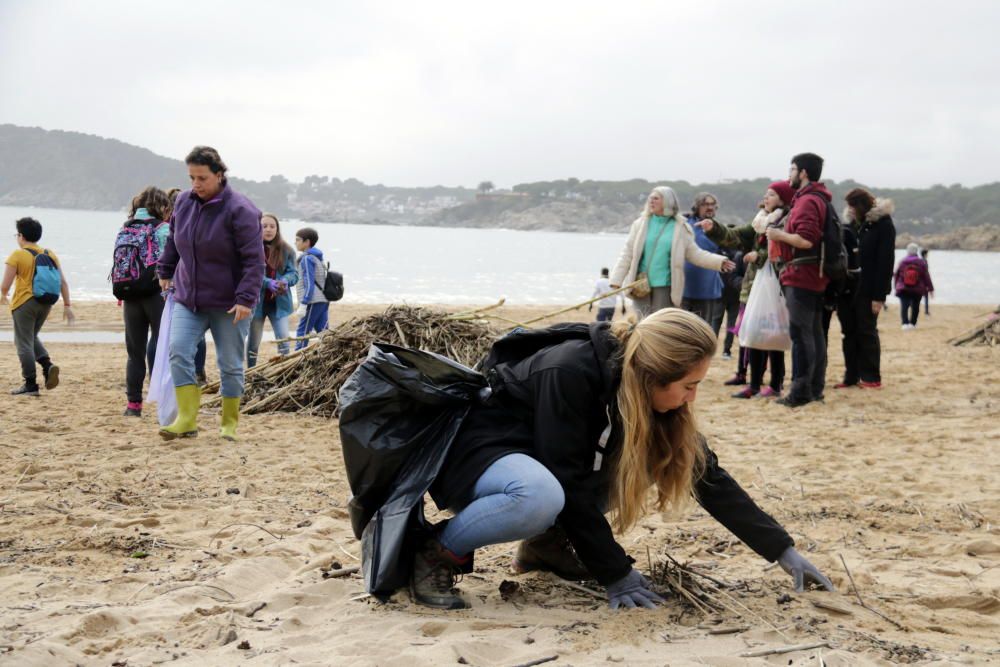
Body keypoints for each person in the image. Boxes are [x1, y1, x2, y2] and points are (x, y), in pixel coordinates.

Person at [405, 309, 832, 609]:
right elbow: (566, 479)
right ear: (653, 375)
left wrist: (783, 551)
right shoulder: (569, 372)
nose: (693, 397)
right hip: (481, 453)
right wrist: (616, 575)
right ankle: (437, 552)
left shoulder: (646, 393)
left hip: (540, 459)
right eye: (689, 384)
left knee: (656, 458)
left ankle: (545, 546)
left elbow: (707, 475)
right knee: (540, 495)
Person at [156, 146, 265, 441]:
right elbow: (173, 242)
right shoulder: (183, 202)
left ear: (219, 174)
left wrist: (245, 298)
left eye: (202, 178)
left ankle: (229, 423)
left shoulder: (241, 210)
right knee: (178, 351)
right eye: (192, 177)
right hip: (188, 297)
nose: (196, 184)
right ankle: (186, 419)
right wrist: (165, 270)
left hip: (230, 303)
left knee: (229, 364)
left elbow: (254, 260)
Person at [699, 182, 795, 399]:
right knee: (755, 333)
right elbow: (734, 236)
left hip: (777, 286)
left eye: (771, 194)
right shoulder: (760, 221)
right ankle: (753, 384)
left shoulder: (786, 221)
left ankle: (776, 384)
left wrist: (759, 256)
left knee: (774, 335)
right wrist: (713, 227)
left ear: (782, 199)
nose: (766, 196)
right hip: (755, 285)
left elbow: (785, 251)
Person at [766, 153, 831, 408]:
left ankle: (801, 392)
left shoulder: (807, 201)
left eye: (792, 169)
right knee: (813, 333)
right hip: (814, 274)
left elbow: (806, 239)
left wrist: (778, 234)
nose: (789, 174)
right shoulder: (819, 198)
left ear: (803, 173)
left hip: (802, 274)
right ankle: (814, 389)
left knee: (802, 334)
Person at [610, 186, 735, 317]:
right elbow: (627, 252)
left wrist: (719, 261)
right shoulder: (640, 224)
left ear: (668, 201)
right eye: (650, 198)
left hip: (664, 286)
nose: (651, 201)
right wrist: (616, 279)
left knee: (659, 325)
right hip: (640, 284)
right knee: (642, 324)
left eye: (656, 198)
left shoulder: (680, 226)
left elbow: (695, 254)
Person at [1, 217, 74, 396]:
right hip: (46, 302)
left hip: (25, 303)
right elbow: (63, 282)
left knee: (23, 342)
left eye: (17, 234)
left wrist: (2, 295)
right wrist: (67, 305)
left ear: (22, 236)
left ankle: (30, 384)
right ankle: (47, 366)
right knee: (31, 337)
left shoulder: (17, 255)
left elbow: (5, 285)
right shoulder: (50, 254)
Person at [116, 187, 172, 416]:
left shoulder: (126, 227)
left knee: (134, 352)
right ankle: (163, 402)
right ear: (162, 206)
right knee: (164, 348)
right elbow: (172, 260)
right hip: (157, 293)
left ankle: (133, 406)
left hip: (130, 295)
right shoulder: (163, 228)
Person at [834, 188, 896, 389]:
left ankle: (871, 377)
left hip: (869, 288)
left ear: (861, 205)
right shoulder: (851, 226)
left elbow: (885, 262)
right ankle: (851, 376)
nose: (850, 210)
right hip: (848, 286)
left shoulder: (883, 225)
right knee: (848, 332)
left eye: (853, 206)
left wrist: (880, 296)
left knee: (866, 331)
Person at [166, 187, 208, 385]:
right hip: (184, 291)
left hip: (181, 291)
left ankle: (161, 377)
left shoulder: (172, 227)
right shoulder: (180, 227)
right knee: (187, 342)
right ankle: (198, 374)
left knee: (170, 339)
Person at [246, 213, 299, 368]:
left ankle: (284, 372)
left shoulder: (287, 250)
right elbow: (248, 274)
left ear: (277, 229)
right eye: (264, 226)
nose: (268, 229)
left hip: (280, 304)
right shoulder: (251, 248)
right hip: (256, 303)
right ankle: (251, 372)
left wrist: (285, 281)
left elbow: (294, 274)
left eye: (272, 226)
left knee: (284, 342)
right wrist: (267, 282)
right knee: (253, 343)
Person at [682, 193, 726, 334]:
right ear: (697, 206)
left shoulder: (718, 229)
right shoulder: (685, 224)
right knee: (680, 329)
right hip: (683, 286)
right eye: (706, 204)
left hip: (706, 288)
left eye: (712, 205)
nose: (710, 207)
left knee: (701, 331)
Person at [294, 227, 329, 350]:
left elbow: (309, 283)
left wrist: (304, 303)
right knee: (324, 333)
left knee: (302, 332)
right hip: (323, 299)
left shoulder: (307, 258)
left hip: (312, 301)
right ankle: (328, 355)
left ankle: (297, 361)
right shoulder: (318, 257)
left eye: (298, 240)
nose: (295, 242)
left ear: (307, 242)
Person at [894, 244, 934, 329]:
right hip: (917, 288)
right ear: (916, 251)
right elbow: (926, 276)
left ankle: (905, 323)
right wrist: (930, 288)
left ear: (907, 251)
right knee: (915, 306)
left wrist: (896, 286)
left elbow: (896, 275)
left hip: (903, 288)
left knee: (904, 306)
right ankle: (913, 323)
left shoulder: (902, 261)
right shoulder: (921, 262)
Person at [719, 238, 744, 360]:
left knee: (716, 322)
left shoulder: (719, 251)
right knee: (730, 324)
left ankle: (713, 349)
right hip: (733, 295)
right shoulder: (740, 253)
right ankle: (726, 351)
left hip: (722, 293)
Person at [920, 248, 931, 316]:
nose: (928, 255)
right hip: (924, 282)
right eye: (927, 254)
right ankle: (926, 311)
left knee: (917, 297)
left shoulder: (919, 260)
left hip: (920, 281)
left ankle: (926, 311)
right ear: (925, 254)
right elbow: (926, 272)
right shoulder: (925, 261)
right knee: (926, 297)